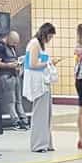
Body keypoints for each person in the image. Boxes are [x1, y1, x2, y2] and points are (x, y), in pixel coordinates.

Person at [24, 22, 58, 153]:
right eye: (50, 36)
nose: (50, 39)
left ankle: (46, 143)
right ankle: (38, 144)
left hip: (44, 82)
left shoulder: (40, 45)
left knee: (46, 114)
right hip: (37, 83)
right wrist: (49, 63)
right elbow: (32, 64)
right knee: (40, 114)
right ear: (45, 33)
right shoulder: (34, 44)